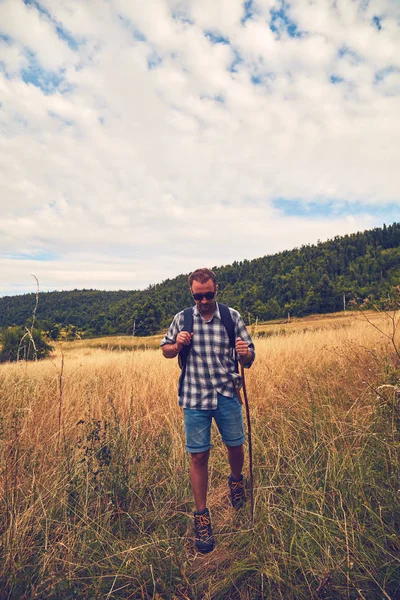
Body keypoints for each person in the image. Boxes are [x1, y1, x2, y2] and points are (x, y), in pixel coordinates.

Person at [160, 268, 255, 553]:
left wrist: (244, 353)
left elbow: (249, 357)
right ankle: (201, 517)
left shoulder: (231, 316)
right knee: (198, 455)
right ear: (192, 294)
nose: (203, 301)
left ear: (217, 290)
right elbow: (164, 349)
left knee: (235, 445)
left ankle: (236, 482)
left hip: (227, 393)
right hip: (194, 397)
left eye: (208, 295)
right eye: (198, 296)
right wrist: (176, 345)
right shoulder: (182, 318)